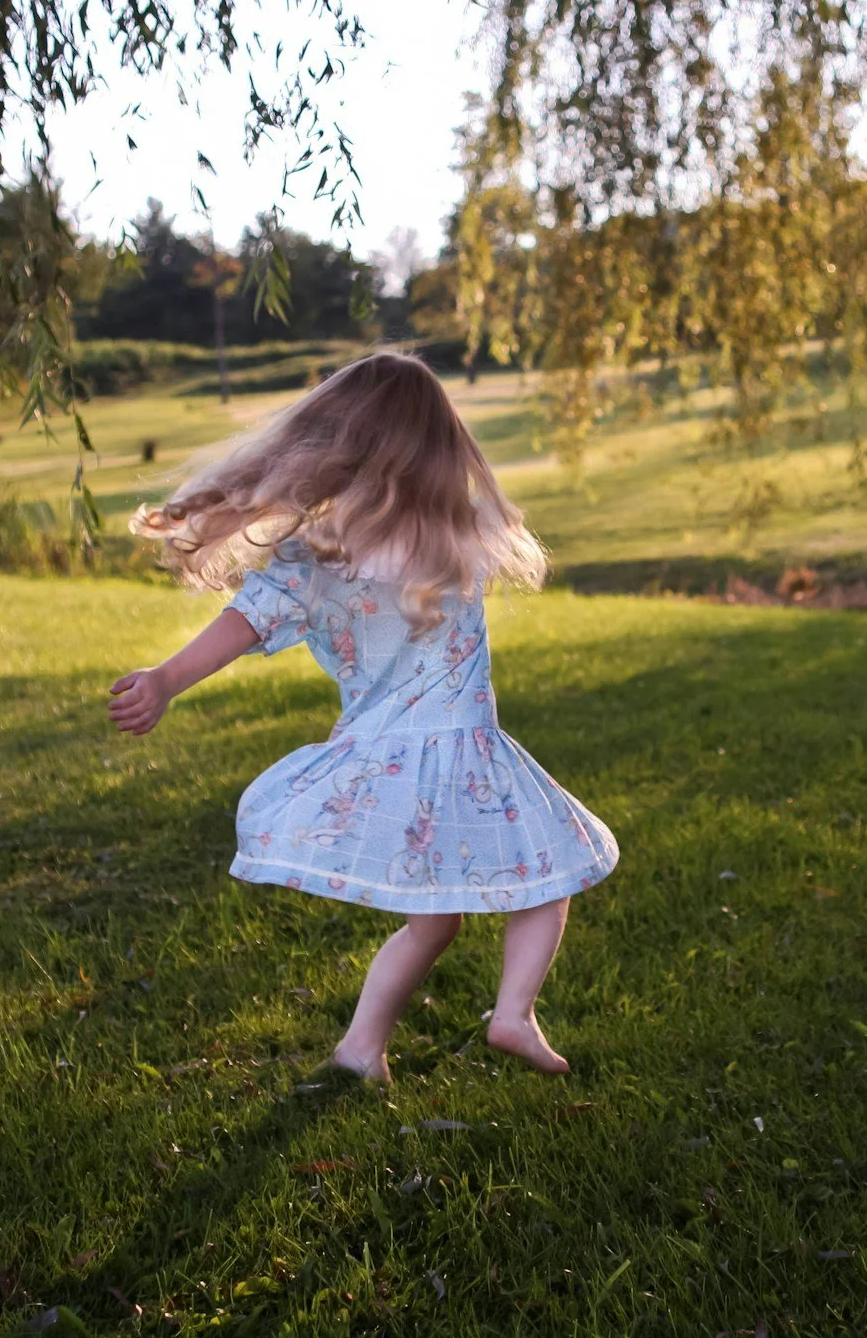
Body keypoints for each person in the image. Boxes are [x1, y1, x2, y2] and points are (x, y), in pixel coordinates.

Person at [105, 353, 617, 1081]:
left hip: (382, 756)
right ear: (441, 446)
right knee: (551, 870)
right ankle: (512, 1012)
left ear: (333, 447)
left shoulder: (319, 555)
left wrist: (166, 679)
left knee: (433, 920)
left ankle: (361, 1047)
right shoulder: (460, 534)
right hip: (469, 753)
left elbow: (244, 621)